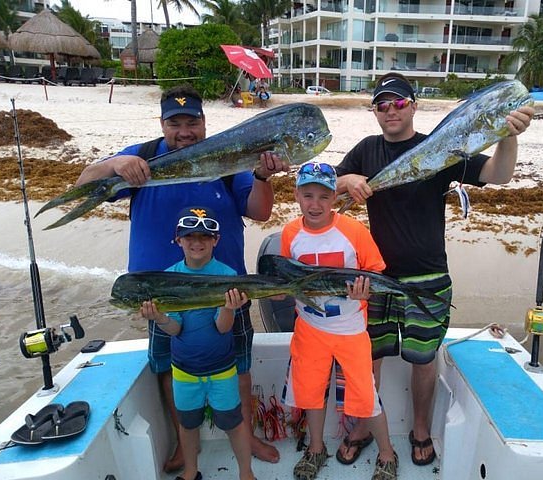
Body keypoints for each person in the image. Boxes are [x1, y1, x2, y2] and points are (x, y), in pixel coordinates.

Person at [75, 85, 285, 471]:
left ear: (205, 123)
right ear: (162, 124)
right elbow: (82, 183)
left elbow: (259, 211)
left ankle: (248, 434)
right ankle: (182, 442)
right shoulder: (142, 157)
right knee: (170, 371)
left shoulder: (227, 158)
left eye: (192, 122)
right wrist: (113, 165)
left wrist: (261, 175)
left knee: (239, 366)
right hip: (159, 296)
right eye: (176, 123)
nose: (184, 131)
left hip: (226, 292)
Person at [335, 72, 534, 467]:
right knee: (367, 357)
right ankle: (360, 425)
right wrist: (349, 178)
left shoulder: (440, 147)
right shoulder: (366, 150)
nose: (391, 110)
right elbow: (330, 184)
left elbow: (498, 174)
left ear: (413, 105)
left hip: (428, 275)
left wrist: (507, 135)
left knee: (423, 359)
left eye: (398, 102)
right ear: (375, 112)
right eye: (382, 104)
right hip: (375, 277)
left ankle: (421, 428)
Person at [280, 161, 398, 480]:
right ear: (296, 196)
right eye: (307, 195)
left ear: (335, 197)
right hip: (309, 330)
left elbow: (375, 271)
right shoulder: (290, 233)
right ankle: (316, 448)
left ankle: (387, 453)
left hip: (351, 330)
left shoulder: (353, 231)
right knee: (310, 392)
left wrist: (365, 293)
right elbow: (283, 282)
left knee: (366, 393)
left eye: (323, 196)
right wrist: (276, 293)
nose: (314, 204)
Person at [139, 206, 254, 480]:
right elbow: (176, 328)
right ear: (178, 240)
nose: (197, 242)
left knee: (233, 423)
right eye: (190, 237)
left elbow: (222, 328)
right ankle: (191, 472)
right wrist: (160, 318)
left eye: (205, 236)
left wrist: (228, 308)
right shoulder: (169, 278)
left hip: (222, 369)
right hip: (184, 371)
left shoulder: (228, 275)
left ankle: (246, 473)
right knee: (187, 424)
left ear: (216, 240)